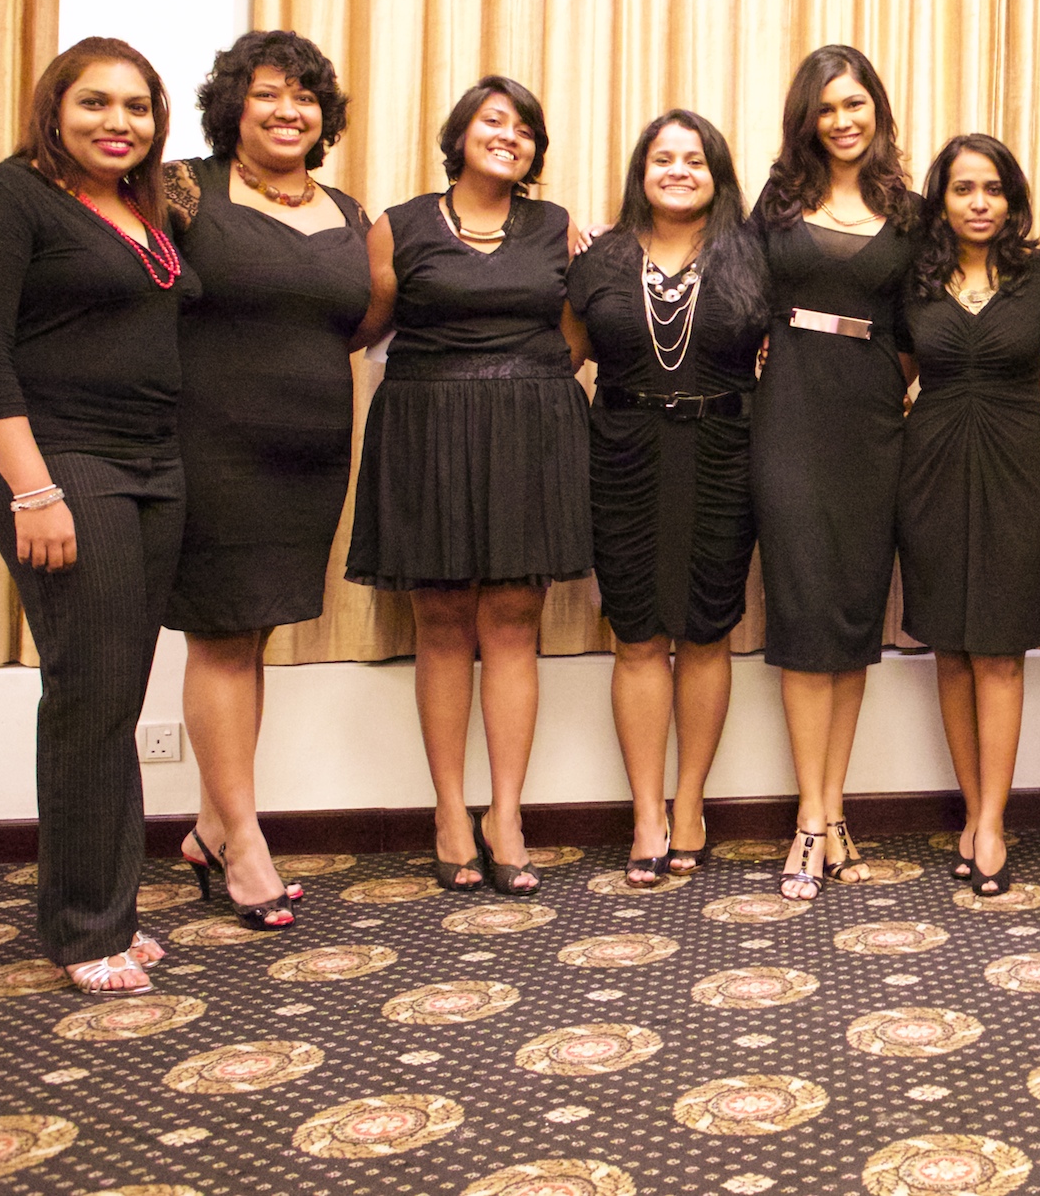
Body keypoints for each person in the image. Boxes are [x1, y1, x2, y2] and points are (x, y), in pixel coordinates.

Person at [0, 37, 195, 994]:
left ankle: (108, 908)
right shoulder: (2, 197)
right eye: (96, 103)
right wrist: (33, 488)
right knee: (89, 688)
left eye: (136, 108)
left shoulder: (146, 213)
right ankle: (86, 929)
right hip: (61, 462)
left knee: (117, 692)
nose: (117, 123)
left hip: (151, 463)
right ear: (54, 107)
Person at [346, 76, 590, 896]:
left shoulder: (559, 227)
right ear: (460, 135)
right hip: (427, 431)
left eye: (524, 126)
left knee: (515, 618)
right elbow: (366, 326)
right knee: (443, 619)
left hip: (527, 429)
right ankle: (450, 811)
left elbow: (572, 342)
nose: (509, 134)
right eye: (494, 120)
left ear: (534, 151)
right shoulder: (400, 225)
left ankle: (507, 813)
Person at [161, 31, 373, 931]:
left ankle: (213, 822)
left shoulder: (349, 209)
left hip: (313, 452)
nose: (289, 110)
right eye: (268, 93)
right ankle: (243, 843)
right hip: (208, 444)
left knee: (254, 636)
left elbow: (361, 325)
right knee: (218, 632)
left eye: (305, 97)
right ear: (232, 106)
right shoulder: (180, 189)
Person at [565, 111, 766, 886]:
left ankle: (691, 802)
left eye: (694, 158)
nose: (678, 169)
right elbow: (563, 355)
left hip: (724, 452)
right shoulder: (599, 255)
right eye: (663, 158)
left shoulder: (754, 256)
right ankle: (646, 810)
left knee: (708, 630)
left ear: (717, 173)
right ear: (640, 171)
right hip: (622, 452)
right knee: (639, 633)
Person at [749, 45, 918, 899]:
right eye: (827, 109)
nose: (844, 121)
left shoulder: (910, 211)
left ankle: (834, 807)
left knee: (852, 620)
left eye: (856, 104)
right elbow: (732, 295)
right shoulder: (775, 204)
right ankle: (809, 819)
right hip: (790, 414)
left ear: (877, 111)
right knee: (804, 613)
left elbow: (928, 318)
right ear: (807, 121)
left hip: (872, 423)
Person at [897, 135, 1040, 897]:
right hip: (929, 468)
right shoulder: (915, 277)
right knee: (951, 649)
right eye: (963, 188)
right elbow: (887, 366)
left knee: (1000, 649)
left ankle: (992, 819)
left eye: (993, 188)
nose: (979, 202)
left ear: (1012, 198)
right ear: (942, 199)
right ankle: (970, 808)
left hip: (1022, 469)